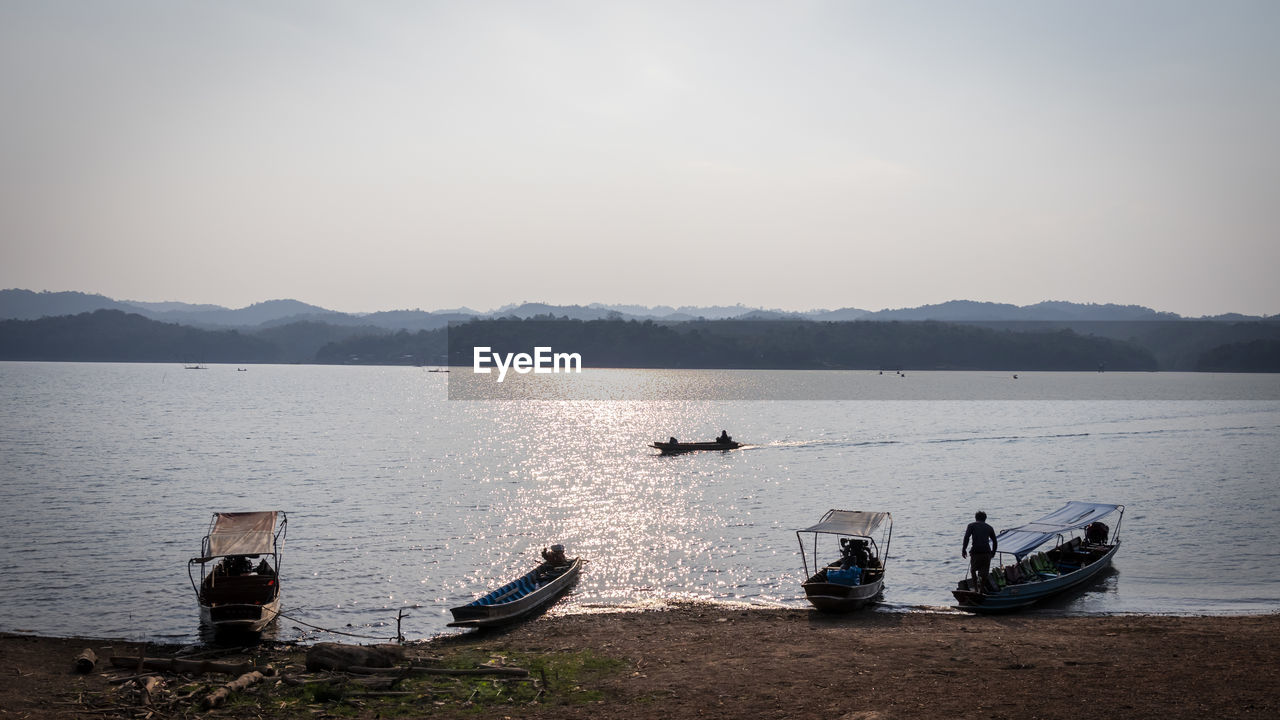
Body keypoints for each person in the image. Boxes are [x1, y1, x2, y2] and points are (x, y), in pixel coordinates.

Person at [962, 511, 998, 593]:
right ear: (985, 519)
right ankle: (981, 589)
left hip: (976, 552)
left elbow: (966, 537)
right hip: (986, 552)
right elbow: (995, 542)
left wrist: (964, 549)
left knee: (973, 570)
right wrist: (993, 552)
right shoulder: (989, 527)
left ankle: (975, 589)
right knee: (985, 572)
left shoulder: (971, 525)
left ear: (976, 518)